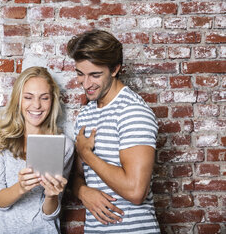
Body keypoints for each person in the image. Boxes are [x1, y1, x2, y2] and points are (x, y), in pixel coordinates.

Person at [67, 29, 160, 233]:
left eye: (95, 75)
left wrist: (87, 154)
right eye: (80, 74)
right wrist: (82, 191)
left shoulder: (133, 112)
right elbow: (76, 175)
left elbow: (136, 191)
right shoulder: (86, 114)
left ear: (115, 69)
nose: (86, 83)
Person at [0, 66, 74, 234]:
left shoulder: (64, 145)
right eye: (28, 97)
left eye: (44, 98)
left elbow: (49, 215)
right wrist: (21, 188)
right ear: (19, 99)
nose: (37, 105)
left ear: (52, 100)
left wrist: (52, 195)